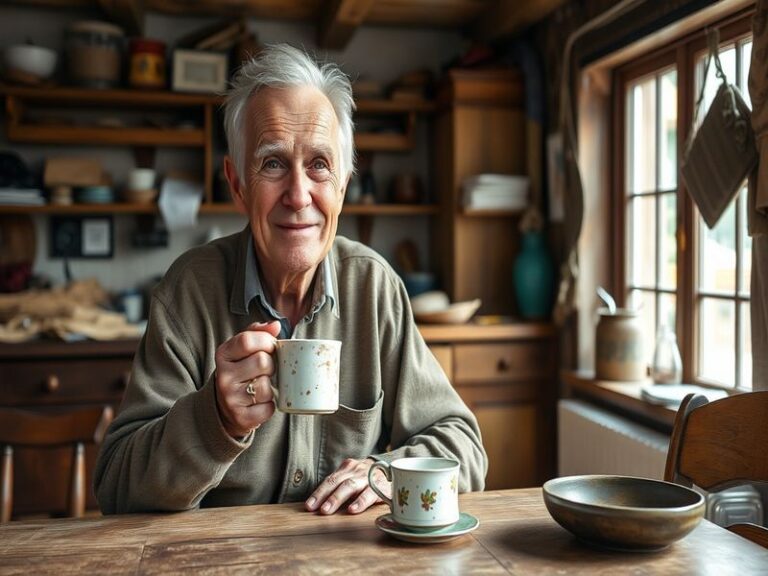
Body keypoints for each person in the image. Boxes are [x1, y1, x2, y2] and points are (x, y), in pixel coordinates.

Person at [94, 44, 487, 515]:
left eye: (320, 165)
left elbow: (464, 446)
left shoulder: (374, 287)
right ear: (237, 183)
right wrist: (214, 420)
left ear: (342, 185)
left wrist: (384, 474)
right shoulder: (189, 291)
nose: (299, 195)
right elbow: (116, 487)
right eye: (273, 163)